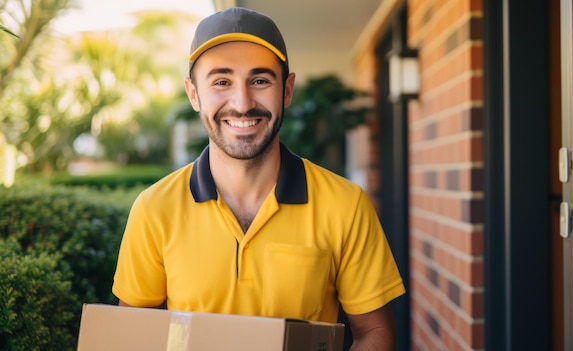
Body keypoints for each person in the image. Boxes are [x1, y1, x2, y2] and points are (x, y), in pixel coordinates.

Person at [112, 7, 405, 350]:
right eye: (222, 81)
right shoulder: (154, 209)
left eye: (260, 80)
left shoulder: (345, 204)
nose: (242, 103)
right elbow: (129, 337)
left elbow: (375, 332)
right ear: (194, 94)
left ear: (287, 90)